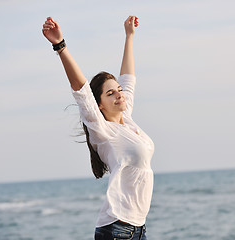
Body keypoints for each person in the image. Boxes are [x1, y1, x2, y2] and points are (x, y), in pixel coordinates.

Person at [42, 16, 154, 240]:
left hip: (137, 229)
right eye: (110, 93)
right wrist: (60, 45)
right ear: (100, 105)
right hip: (118, 229)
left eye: (118, 90)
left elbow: (128, 78)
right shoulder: (103, 131)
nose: (119, 94)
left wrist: (129, 36)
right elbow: (81, 89)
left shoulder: (127, 119)